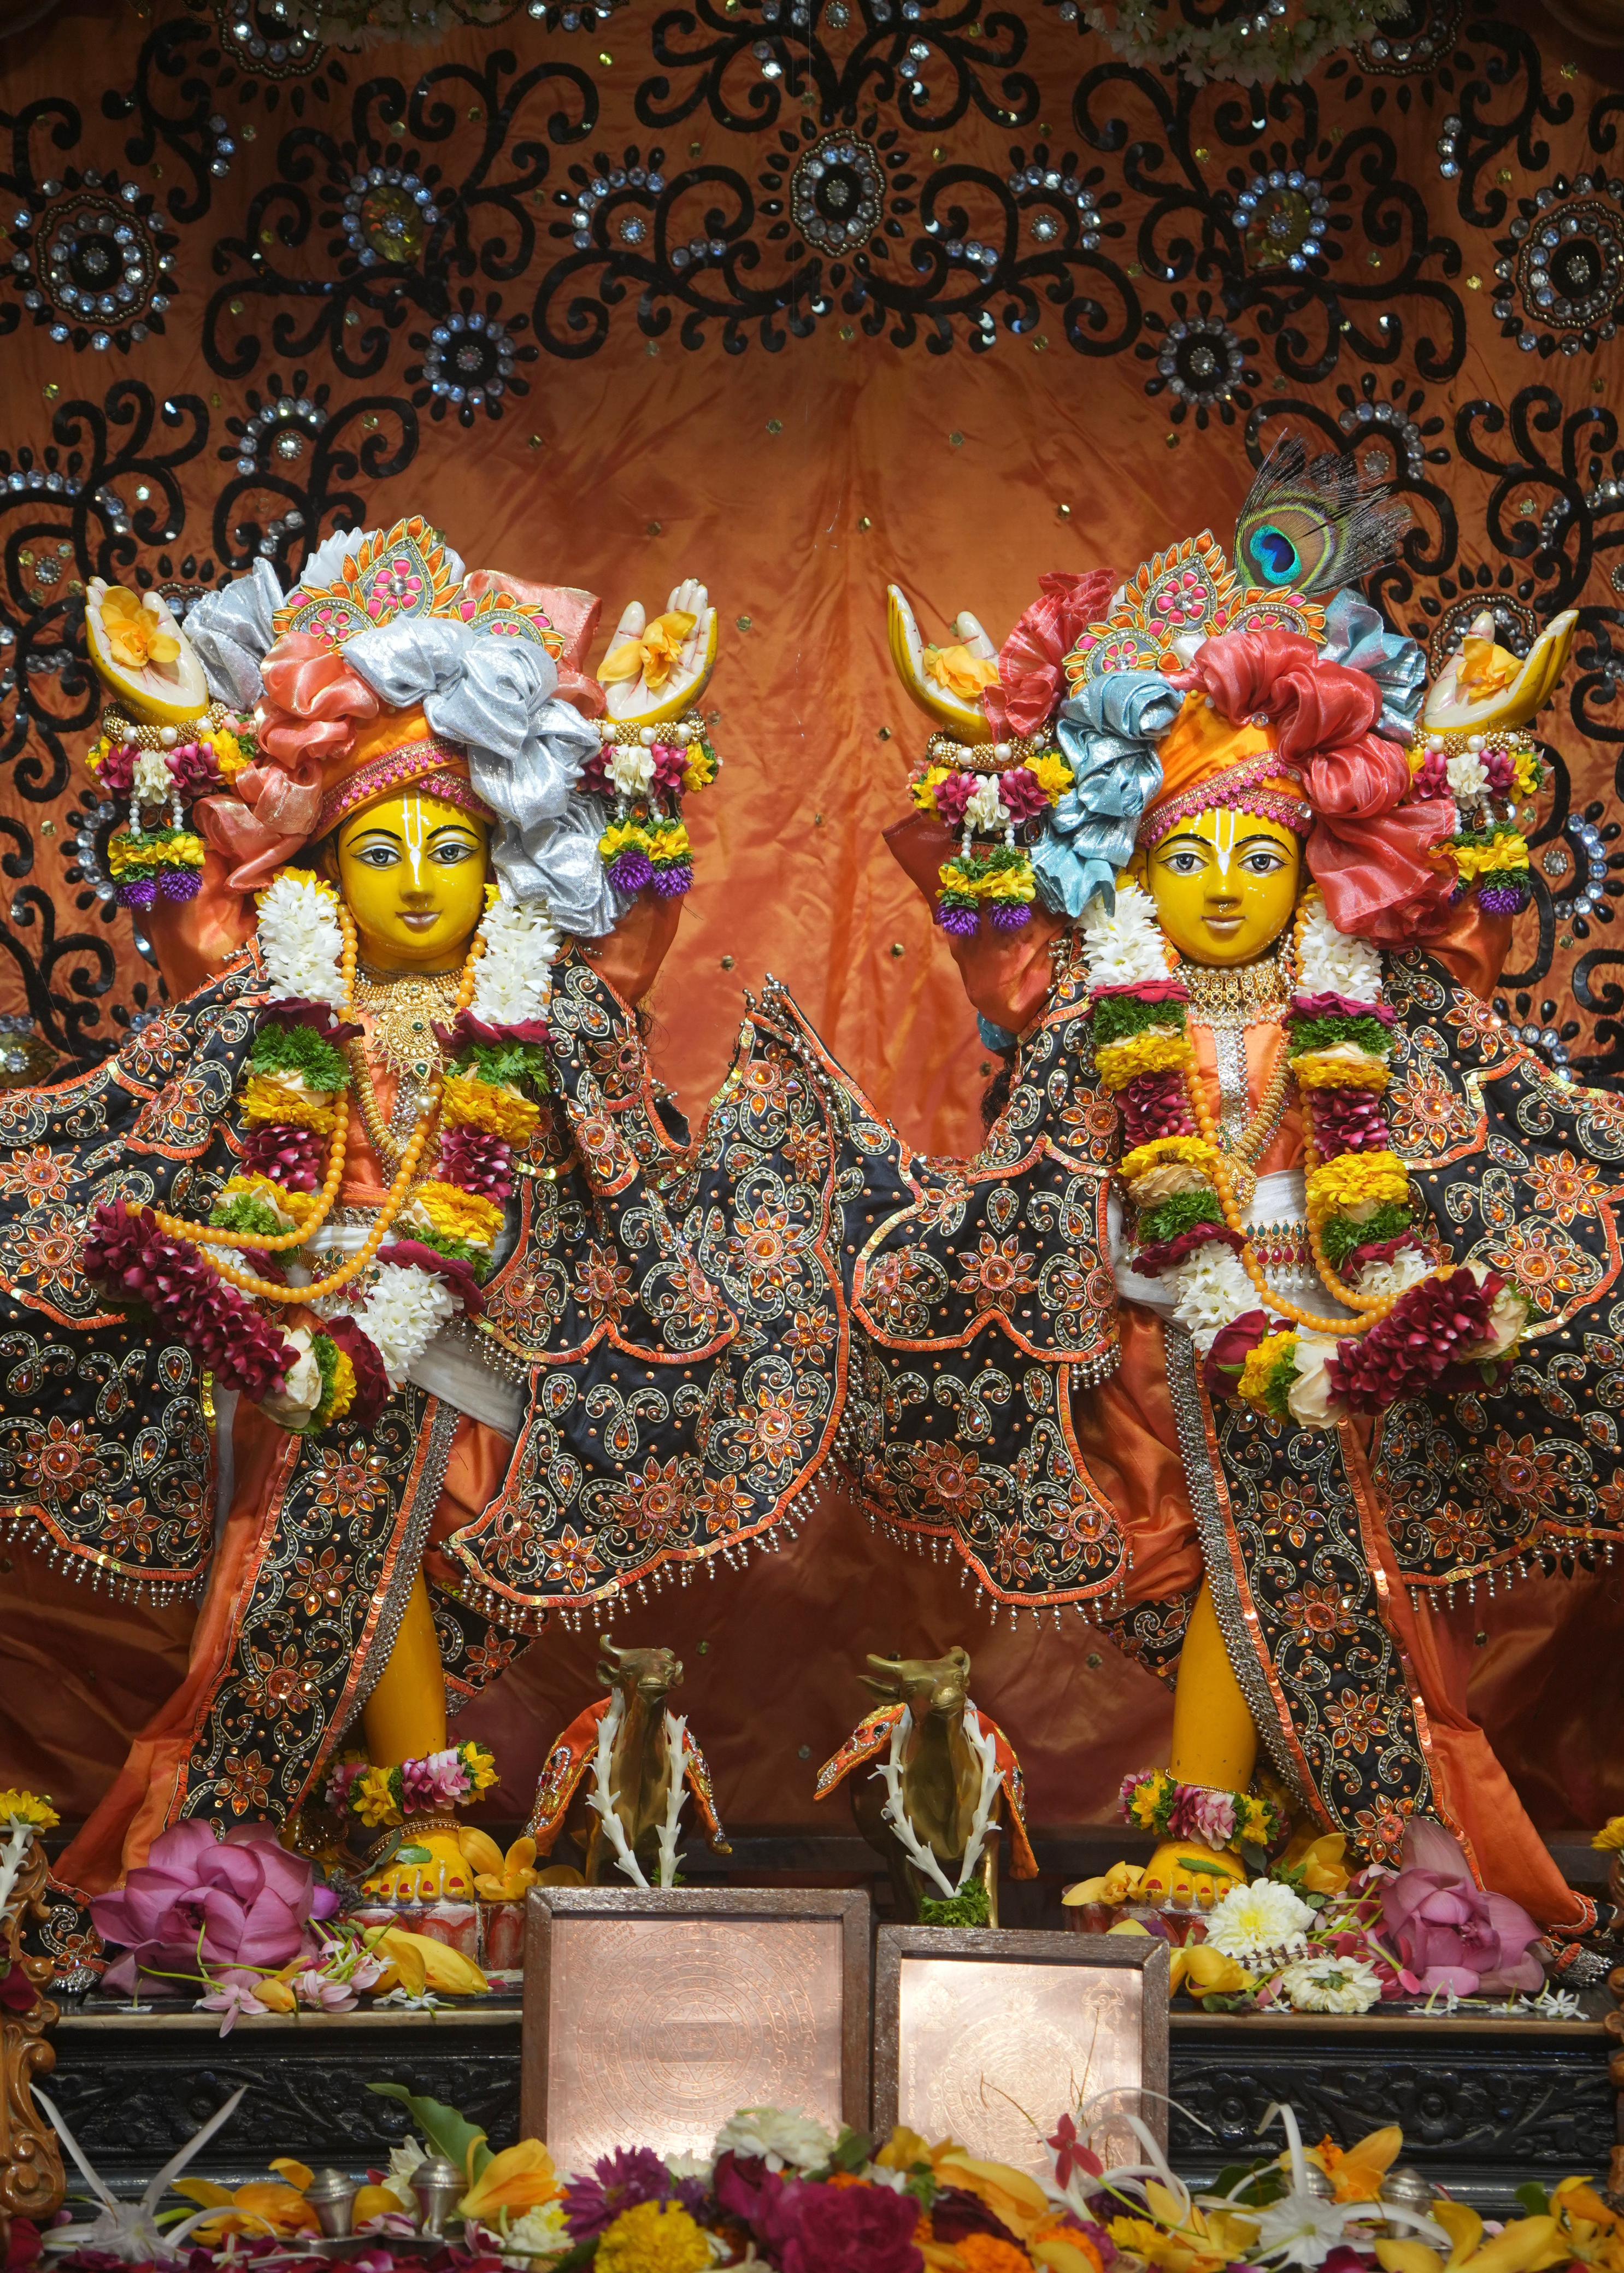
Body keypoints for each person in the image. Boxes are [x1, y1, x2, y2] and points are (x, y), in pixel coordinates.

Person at [760, 448, 1615, 1950]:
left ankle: (1267, 1844)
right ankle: (1283, 1847)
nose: (1224, 882)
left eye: (1259, 850)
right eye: (1188, 852)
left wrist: (1432, 1285)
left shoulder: (1370, 996)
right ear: (1139, 871)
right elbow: (1037, 1168)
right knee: (1238, 1557)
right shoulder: (1110, 1007)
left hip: (1351, 1317)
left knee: (1337, 1573)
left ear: (1316, 863)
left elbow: (1483, 1121)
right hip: (1172, 1331)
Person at [2, 523, 840, 1975]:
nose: (413, 882)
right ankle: (398, 1813)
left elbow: (626, 1057)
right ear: (322, 870)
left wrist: (646, 784)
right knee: (323, 1535)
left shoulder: (539, 1002)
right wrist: (173, 767)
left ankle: (355, 1824)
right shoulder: (277, 993)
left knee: (426, 1571)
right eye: (377, 851)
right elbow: (178, 987)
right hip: (299, 1331)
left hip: (486, 1330)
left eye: (450, 850)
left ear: (499, 865)